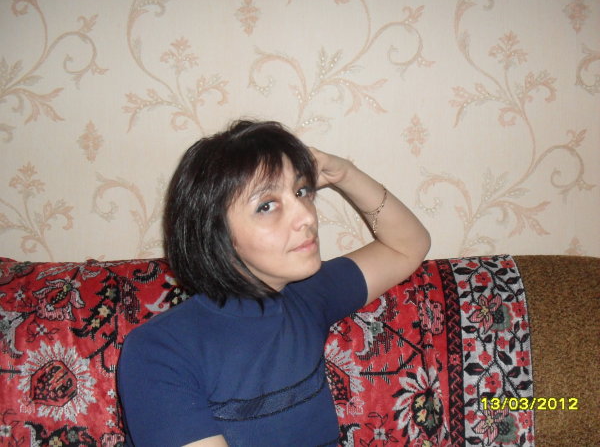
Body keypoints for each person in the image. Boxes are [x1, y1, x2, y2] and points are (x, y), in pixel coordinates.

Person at [117, 120, 430, 446]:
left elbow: (408, 246)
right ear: (215, 234)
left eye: (301, 191)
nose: (306, 216)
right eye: (266, 206)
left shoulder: (307, 296)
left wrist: (346, 175)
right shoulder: (160, 351)